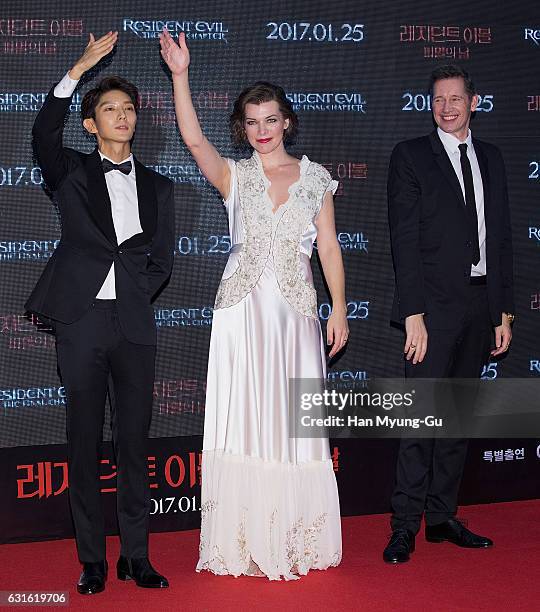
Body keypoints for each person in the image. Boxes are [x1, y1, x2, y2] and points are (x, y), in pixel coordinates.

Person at [159, 28, 346, 580]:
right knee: (244, 418)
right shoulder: (234, 177)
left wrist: (338, 307)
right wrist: (181, 75)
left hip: (294, 316)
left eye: (271, 119)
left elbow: (330, 246)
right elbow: (193, 140)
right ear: (242, 127)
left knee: (294, 423)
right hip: (241, 314)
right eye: (252, 122)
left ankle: (295, 537)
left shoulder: (316, 179)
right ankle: (242, 539)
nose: (262, 131)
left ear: (286, 121)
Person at [26, 32, 174, 593]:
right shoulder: (70, 171)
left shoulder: (160, 186)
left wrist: (133, 293)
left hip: (133, 325)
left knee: (135, 444)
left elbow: (161, 262)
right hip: (81, 321)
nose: (122, 116)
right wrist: (78, 71)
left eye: (129, 109)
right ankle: (92, 560)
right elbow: (42, 133)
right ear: (92, 124)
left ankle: (137, 556)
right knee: (83, 442)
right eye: (110, 109)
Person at [384, 64, 514, 563]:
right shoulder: (411, 156)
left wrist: (503, 312)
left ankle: (441, 517)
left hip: (482, 305)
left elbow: (500, 239)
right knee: (419, 421)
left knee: (457, 420)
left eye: (455, 98)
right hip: (432, 308)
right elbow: (403, 240)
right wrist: (413, 313)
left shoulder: (494, 159)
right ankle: (403, 527)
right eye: (438, 99)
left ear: (474, 103)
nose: (446, 107)